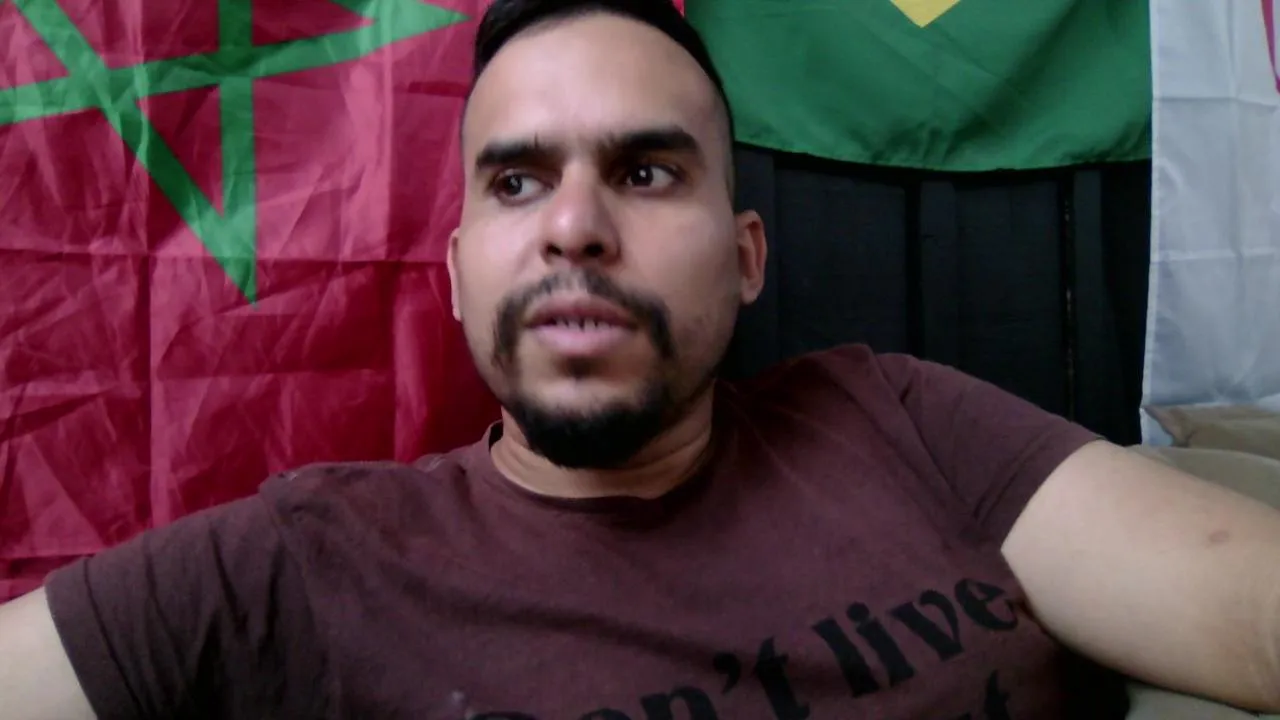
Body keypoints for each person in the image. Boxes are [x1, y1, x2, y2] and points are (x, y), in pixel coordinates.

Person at [2, 0, 1279, 717]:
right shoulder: (305, 562)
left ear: (746, 256)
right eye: (516, 181)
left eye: (646, 171)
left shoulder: (901, 419)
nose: (574, 225)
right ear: (455, 273)